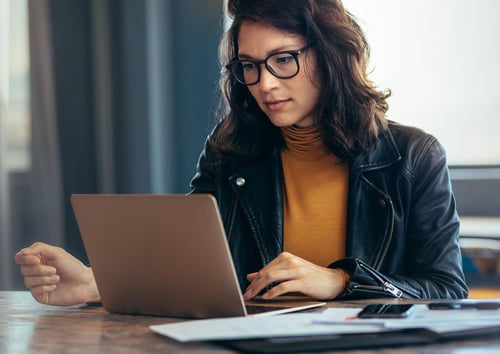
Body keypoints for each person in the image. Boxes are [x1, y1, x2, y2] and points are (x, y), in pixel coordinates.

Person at [15, 0, 468, 307]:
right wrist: (97, 283)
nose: (265, 83)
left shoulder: (412, 156)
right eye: (249, 66)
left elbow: (447, 291)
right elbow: (189, 266)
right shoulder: (231, 150)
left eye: (283, 59)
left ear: (331, 54)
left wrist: (343, 282)